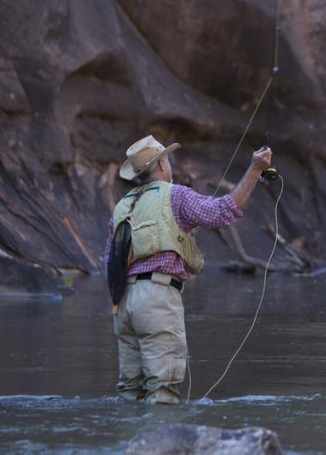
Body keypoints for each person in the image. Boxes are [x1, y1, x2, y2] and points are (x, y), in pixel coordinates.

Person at [103, 134, 273, 404]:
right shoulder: (176, 195)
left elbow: (108, 261)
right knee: (163, 392)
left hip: (122, 305)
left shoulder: (121, 206)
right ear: (161, 166)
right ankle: (157, 445)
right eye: (167, 159)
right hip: (157, 298)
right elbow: (223, 212)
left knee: (129, 393)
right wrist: (255, 169)